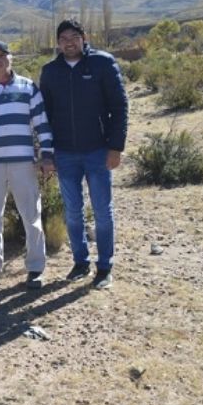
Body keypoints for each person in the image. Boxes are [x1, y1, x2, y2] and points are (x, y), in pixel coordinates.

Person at [39, 19, 128, 290]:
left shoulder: (102, 63)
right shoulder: (50, 71)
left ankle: (105, 267)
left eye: (73, 36)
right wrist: (47, 153)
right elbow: (45, 116)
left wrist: (116, 147)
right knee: (73, 212)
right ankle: (80, 261)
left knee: (102, 210)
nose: (69, 42)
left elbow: (119, 106)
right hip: (65, 153)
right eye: (63, 37)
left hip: (98, 151)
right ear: (57, 43)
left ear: (83, 37)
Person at [0, 41, 55, 289]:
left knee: (31, 215)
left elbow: (42, 124)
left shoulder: (28, 88)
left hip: (23, 163)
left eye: (3, 56)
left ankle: (36, 268)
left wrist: (46, 155)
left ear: (10, 58)